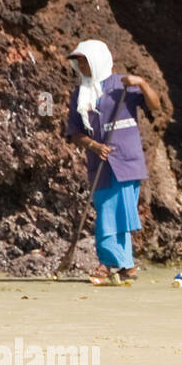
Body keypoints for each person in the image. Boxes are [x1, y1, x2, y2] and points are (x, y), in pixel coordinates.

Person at [62, 40, 161, 285]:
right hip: (100, 164)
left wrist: (143, 84)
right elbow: (73, 132)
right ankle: (123, 264)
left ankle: (110, 263)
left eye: (84, 60)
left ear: (97, 59)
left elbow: (155, 106)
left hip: (126, 160)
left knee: (117, 213)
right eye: (78, 61)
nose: (80, 66)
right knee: (108, 209)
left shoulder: (123, 85)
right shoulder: (79, 93)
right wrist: (93, 146)